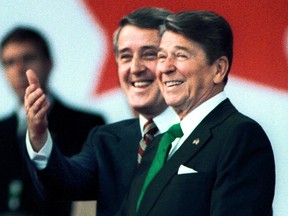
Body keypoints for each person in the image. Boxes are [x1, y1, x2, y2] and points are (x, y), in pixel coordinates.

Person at [24, 8, 178, 216]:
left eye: (149, 54)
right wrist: (39, 136)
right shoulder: (105, 140)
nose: (135, 68)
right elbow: (62, 183)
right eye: (125, 56)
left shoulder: (214, 135)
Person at [121, 11, 275, 216]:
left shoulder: (240, 136)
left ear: (218, 69)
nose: (165, 68)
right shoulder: (156, 145)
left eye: (180, 55)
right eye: (161, 56)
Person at [0, 27, 106, 215]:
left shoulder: (86, 125)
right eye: (9, 62)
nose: (19, 69)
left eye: (28, 58)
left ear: (48, 63)